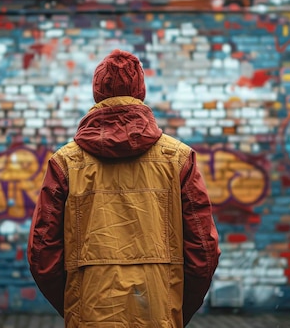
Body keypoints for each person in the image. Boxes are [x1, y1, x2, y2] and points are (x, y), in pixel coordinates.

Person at [27, 49, 221, 327]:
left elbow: (41, 252)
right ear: (140, 91)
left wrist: (75, 304)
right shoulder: (178, 159)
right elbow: (203, 250)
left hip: (90, 312)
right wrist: (176, 308)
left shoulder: (66, 162)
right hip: (160, 311)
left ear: (97, 91)